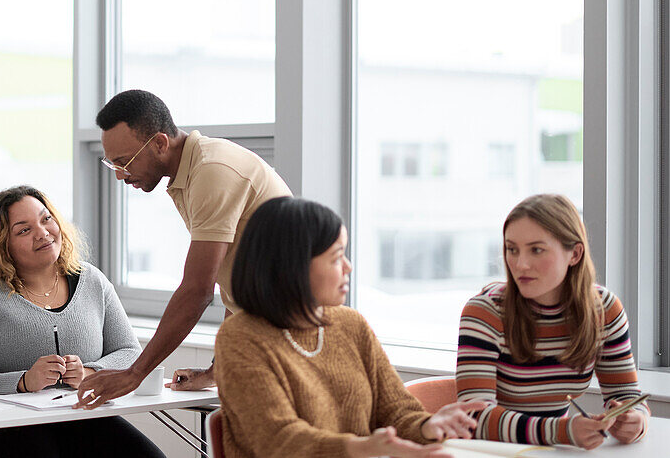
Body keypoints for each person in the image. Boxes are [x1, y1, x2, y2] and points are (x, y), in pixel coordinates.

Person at [215, 196, 486, 458]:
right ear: (292, 267)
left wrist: (427, 426)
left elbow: (396, 411)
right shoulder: (241, 337)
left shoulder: (350, 324)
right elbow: (279, 441)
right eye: (336, 258)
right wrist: (364, 448)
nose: (348, 267)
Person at [77, 89, 291, 407]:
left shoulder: (212, 172)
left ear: (161, 143)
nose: (121, 175)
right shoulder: (188, 175)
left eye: (125, 162)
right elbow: (240, 285)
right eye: (113, 165)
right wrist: (216, 371)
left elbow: (197, 291)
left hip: (289, 340)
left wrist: (134, 374)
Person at [0, 185, 165, 458]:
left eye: (46, 219)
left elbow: (130, 353)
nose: (42, 233)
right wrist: (23, 381)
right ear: (3, 244)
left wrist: (90, 372)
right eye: (24, 230)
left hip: (83, 419)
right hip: (8, 427)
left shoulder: (92, 281)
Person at [456, 193, 649, 450]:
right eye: (512, 249)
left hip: (556, 451)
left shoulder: (604, 309)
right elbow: (474, 418)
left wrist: (635, 422)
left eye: (536, 250)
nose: (520, 264)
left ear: (575, 254)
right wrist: (562, 431)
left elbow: (626, 396)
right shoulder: (485, 313)